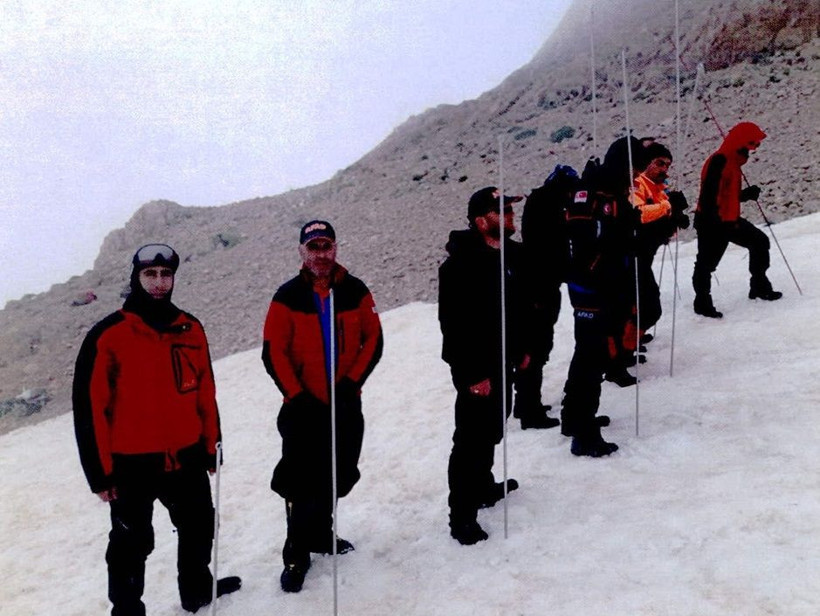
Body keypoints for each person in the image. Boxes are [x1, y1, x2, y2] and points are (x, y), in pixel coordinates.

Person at [72, 244, 241, 616]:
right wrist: (99, 474)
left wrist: (212, 444)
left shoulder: (190, 327)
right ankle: (128, 609)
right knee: (131, 542)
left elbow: (205, 391)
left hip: (186, 453)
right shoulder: (109, 335)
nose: (159, 282)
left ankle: (197, 589)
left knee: (199, 526)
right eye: (151, 274)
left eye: (166, 275)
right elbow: (90, 409)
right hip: (131, 462)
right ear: (136, 277)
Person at [262, 220, 383, 593]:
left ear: (335, 248)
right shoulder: (287, 296)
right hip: (304, 407)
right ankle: (296, 555)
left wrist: (351, 384)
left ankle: (320, 535)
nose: (320, 253)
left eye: (326, 245)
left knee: (338, 473)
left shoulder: (355, 290)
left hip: (345, 403)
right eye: (313, 247)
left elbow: (373, 339)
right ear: (302, 252)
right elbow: (274, 352)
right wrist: (296, 396)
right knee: (302, 483)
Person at [438, 186, 531, 545]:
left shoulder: (511, 256)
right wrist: (470, 375)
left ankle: (483, 486)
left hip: (504, 359)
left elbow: (519, 308)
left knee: (494, 426)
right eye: (501, 210)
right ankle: (461, 515)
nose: (509, 214)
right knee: (470, 440)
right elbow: (453, 326)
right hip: (476, 366)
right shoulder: (459, 266)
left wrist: (522, 348)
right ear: (480, 221)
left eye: (509, 208)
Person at [560, 138, 642, 456]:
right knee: (591, 357)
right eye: (634, 167)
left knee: (588, 354)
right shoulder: (591, 193)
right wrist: (617, 238)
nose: (636, 175)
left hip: (604, 284)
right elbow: (582, 242)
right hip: (590, 288)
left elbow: (613, 236)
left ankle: (574, 417)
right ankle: (583, 433)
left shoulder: (614, 193)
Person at [692, 121, 781, 318]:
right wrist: (714, 221)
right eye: (752, 145)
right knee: (706, 264)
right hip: (713, 222)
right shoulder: (720, 160)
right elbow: (709, 195)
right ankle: (702, 303)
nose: (753, 150)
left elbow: (724, 194)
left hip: (728, 219)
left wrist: (745, 195)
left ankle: (759, 287)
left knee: (759, 242)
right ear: (740, 142)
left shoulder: (731, 160)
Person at [515, 166, 580, 430]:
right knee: (536, 347)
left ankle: (526, 403)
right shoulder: (547, 204)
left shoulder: (542, 201)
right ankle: (530, 411)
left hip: (541, 284)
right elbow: (550, 248)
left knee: (537, 347)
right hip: (540, 286)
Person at [620, 142, 690, 360]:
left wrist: (675, 216)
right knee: (645, 306)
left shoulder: (659, 188)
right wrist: (668, 208)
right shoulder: (637, 184)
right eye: (660, 163)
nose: (664, 169)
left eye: (667, 165)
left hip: (644, 254)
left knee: (642, 305)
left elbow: (661, 219)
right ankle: (624, 349)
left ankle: (630, 343)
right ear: (646, 163)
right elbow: (638, 214)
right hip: (629, 254)